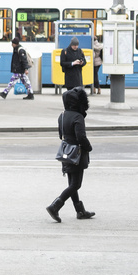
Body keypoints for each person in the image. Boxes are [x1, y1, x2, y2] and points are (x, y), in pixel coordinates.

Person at [46, 87, 94, 223]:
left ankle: (80, 211)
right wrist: (89, 148)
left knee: (71, 183)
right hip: (77, 154)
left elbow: (61, 135)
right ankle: (55, 206)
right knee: (76, 185)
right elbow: (81, 137)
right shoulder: (78, 117)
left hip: (65, 151)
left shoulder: (62, 115)